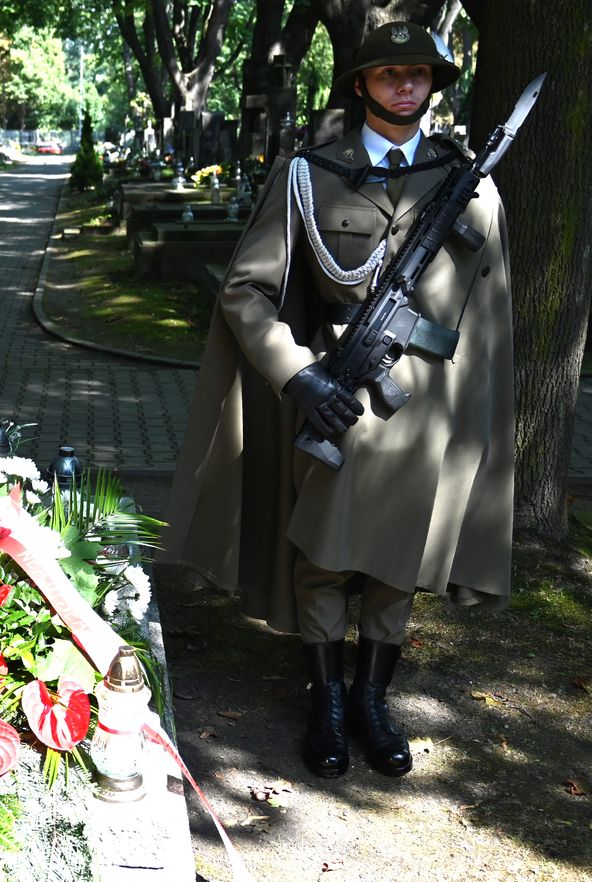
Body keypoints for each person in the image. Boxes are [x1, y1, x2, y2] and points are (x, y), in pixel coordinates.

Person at [162, 21, 515, 779]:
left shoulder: (470, 183)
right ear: (361, 84)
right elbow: (246, 289)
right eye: (389, 72)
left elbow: (488, 317)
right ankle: (324, 699)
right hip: (338, 398)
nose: (405, 84)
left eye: (419, 73)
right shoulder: (310, 174)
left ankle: (371, 700)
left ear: (434, 83)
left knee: (397, 564)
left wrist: (474, 425)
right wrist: (298, 375)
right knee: (320, 557)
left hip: (427, 411)